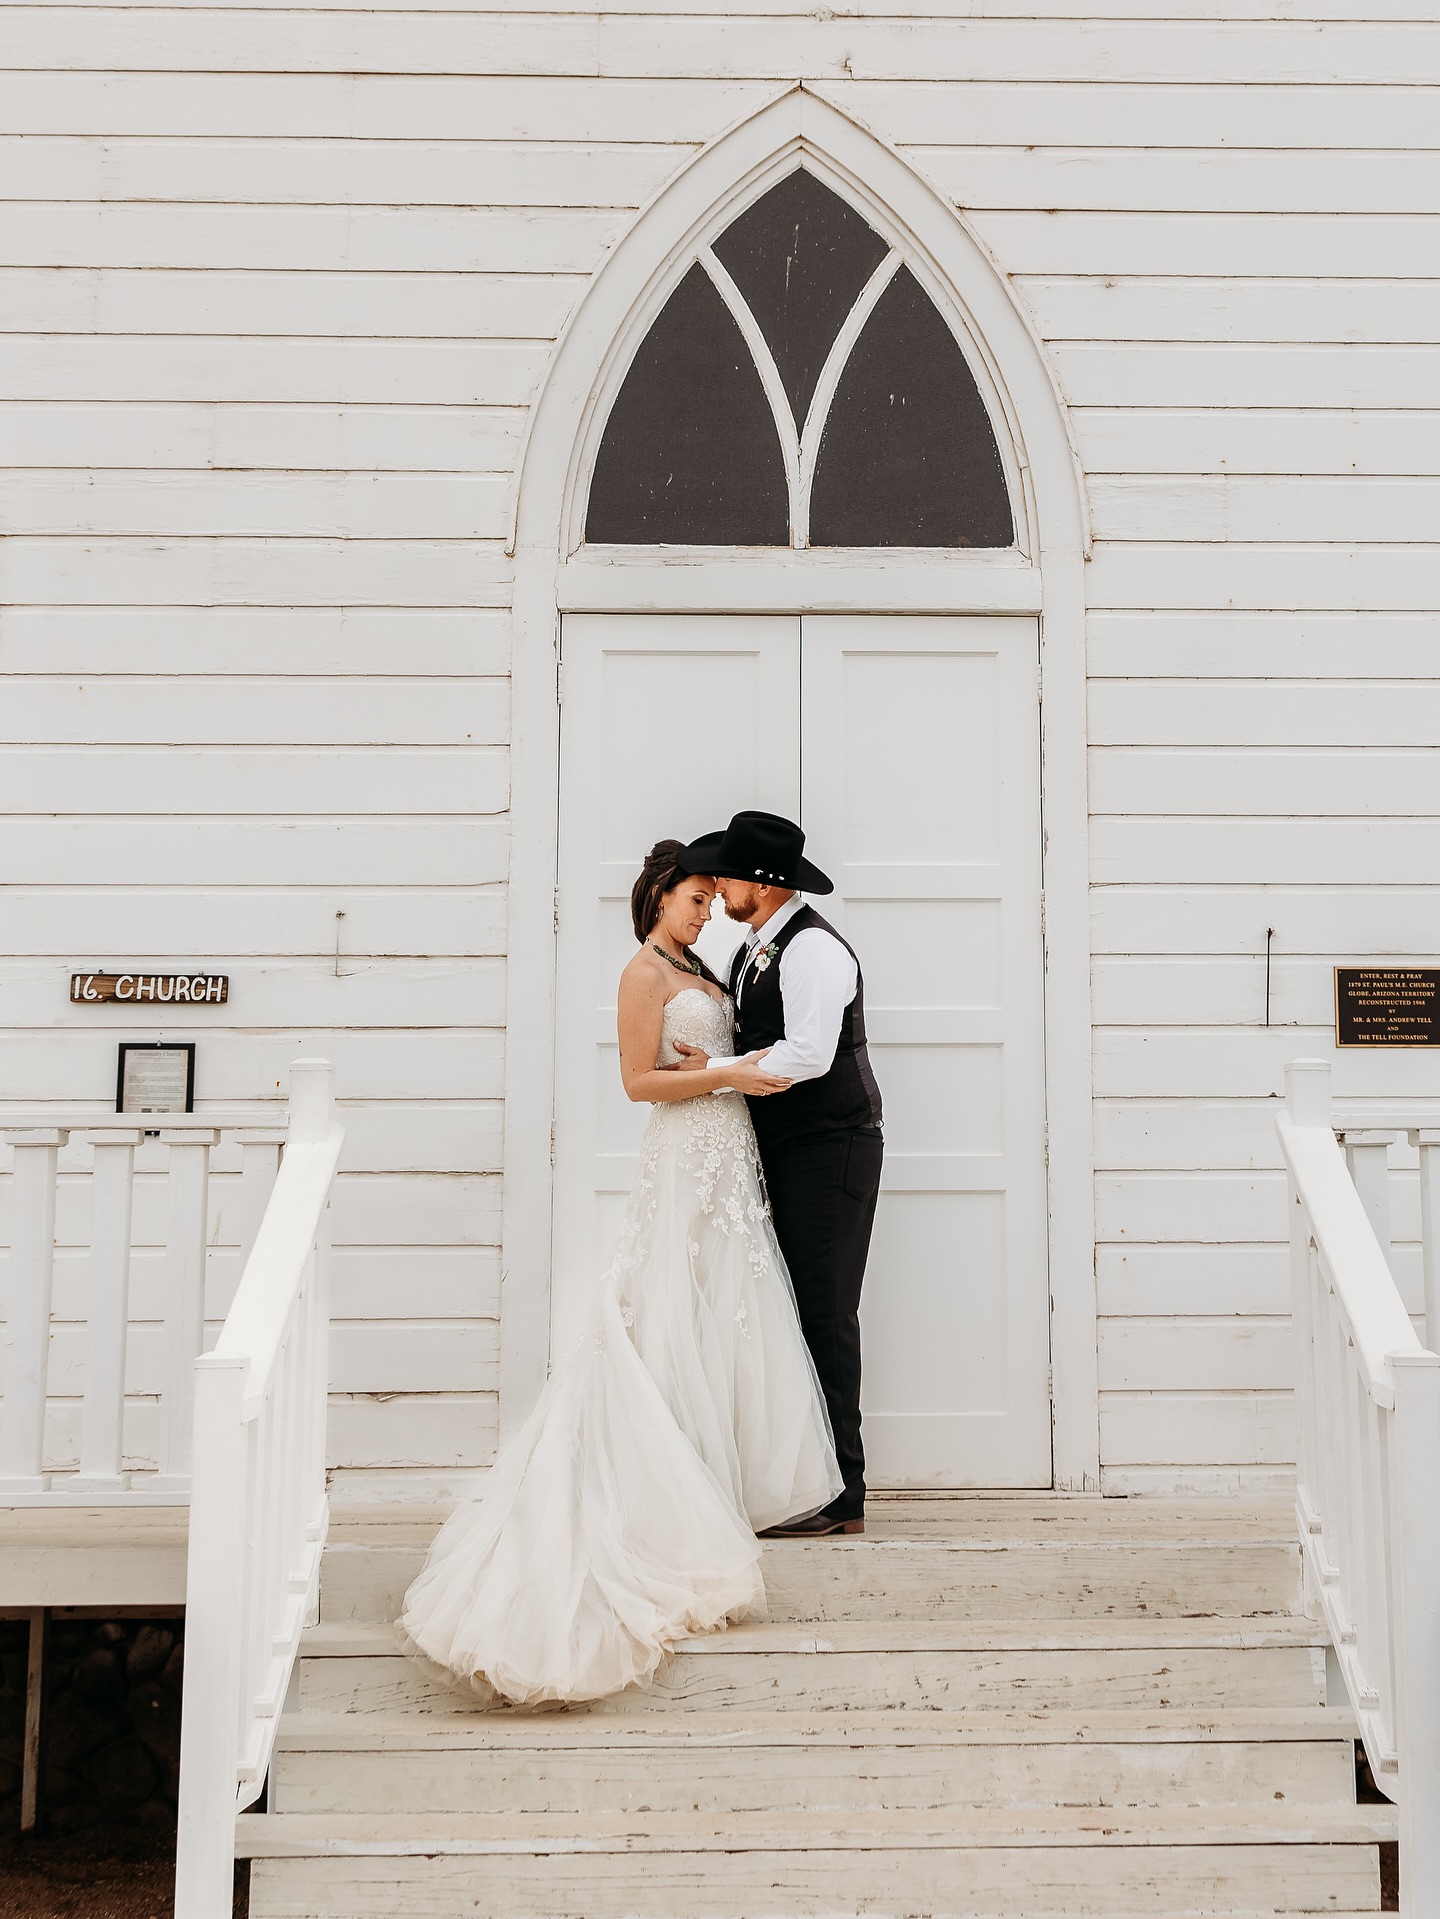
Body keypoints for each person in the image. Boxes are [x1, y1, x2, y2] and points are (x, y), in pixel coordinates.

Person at [399, 839, 841, 1707]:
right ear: (659, 897)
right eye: (695, 901)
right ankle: (660, 1491)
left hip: (727, 1153)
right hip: (684, 1154)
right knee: (669, 1306)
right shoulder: (642, 974)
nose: (707, 913)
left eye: (713, 903)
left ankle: (723, 1480)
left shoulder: (699, 963)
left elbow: (710, 1062)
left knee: (728, 1308)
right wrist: (726, 1072)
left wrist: (725, 1074)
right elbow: (641, 1082)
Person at [671, 811, 883, 1538]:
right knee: (788, 1310)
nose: (718, 886)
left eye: (725, 875)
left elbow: (807, 1055)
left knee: (824, 1310)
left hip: (832, 1147)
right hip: (787, 1147)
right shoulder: (755, 947)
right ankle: (804, 1478)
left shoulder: (814, 950)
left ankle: (842, 1494)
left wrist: (715, 1075)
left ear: (760, 884)